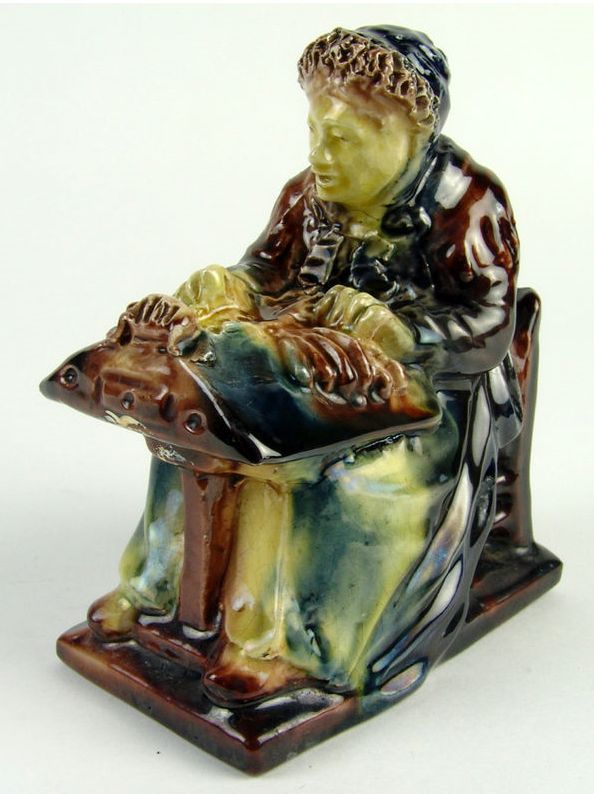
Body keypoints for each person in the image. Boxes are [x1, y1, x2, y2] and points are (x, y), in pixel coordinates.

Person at [86, 25, 522, 705]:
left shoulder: (464, 202)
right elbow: (264, 270)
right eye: (314, 130)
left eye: (341, 138)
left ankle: (282, 642)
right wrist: (227, 287)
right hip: (299, 377)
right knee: (189, 430)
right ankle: (159, 593)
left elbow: (491, 323)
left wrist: (403, 332)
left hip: (423, 404)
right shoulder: (307, 193)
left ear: (404, 133)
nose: (319, 153)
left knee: (324, 476)